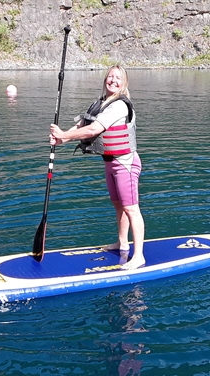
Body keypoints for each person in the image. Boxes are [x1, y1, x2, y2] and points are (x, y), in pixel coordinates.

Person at [49, 65, 145, 270]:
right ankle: (122, 242)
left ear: (124, 83)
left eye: (118, 78)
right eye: (110, 76)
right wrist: (62, 139)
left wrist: (63, 135)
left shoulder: (119, 106)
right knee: (118, 205)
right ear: (105, 80)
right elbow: (84, 123)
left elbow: (94, 129)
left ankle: (138, 256)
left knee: (131, 209)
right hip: (110, 164)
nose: (113, 80)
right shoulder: (100, 104)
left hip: (125, 164)